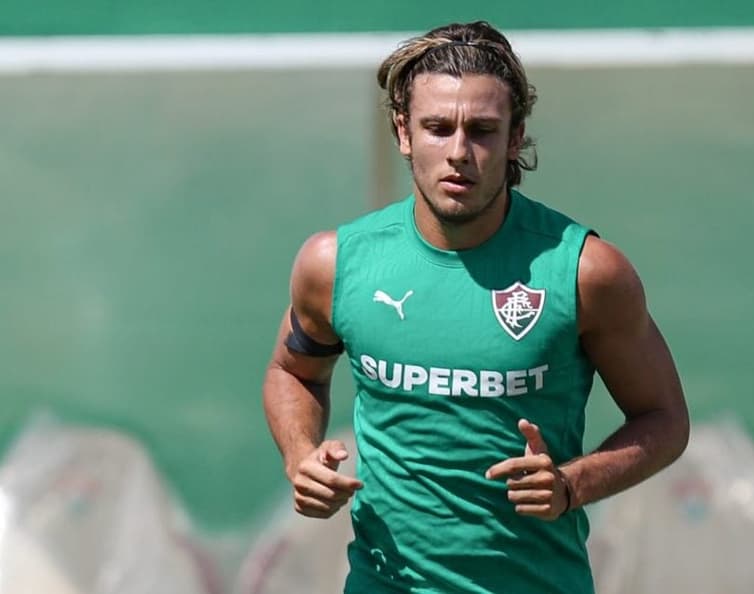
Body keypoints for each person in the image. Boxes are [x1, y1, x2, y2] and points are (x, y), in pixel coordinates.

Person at [262, 20, 689, 594]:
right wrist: (301, 456)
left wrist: (571, 484)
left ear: (515, 139)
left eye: (482, 130)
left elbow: (665, 420)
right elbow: (292, 371)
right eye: (438, 127)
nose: (459, 152)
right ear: (403, 132)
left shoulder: (585, 271)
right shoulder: (334, 263)